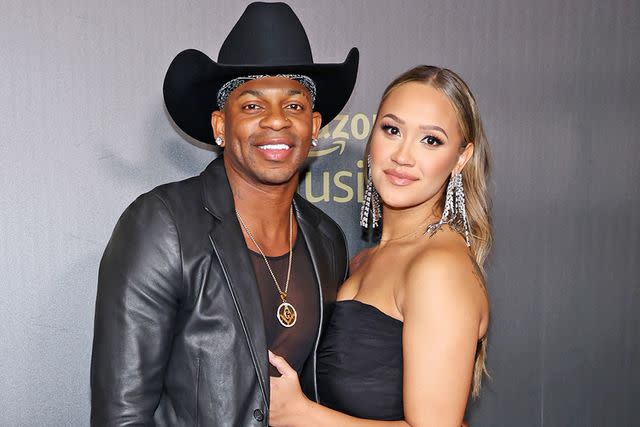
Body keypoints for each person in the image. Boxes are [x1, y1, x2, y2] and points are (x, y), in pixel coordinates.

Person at [90, 3, 358, 425]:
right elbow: (122, 415)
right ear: (220, 125)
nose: (276, 122)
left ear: (315, 125)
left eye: (294, 106)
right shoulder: (163, 225)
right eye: (252, 106)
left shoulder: (327, 240)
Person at [268, 65, 492, 427]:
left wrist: (301, 414)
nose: (403, 155)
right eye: (392, 130)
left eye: (430, 140)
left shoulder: (439, 268)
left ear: (461, 158)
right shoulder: (363, 259)